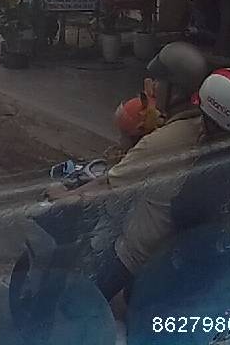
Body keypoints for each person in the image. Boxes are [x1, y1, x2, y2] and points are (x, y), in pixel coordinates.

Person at [46, 42, 213, 300]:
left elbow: (107, 185)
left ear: (176, 90)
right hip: (179, 244)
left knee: (82, 300)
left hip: (140, 252)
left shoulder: (159, 143)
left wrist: (65, 196)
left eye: (160, 81)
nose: (154, 87)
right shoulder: (201, 126)